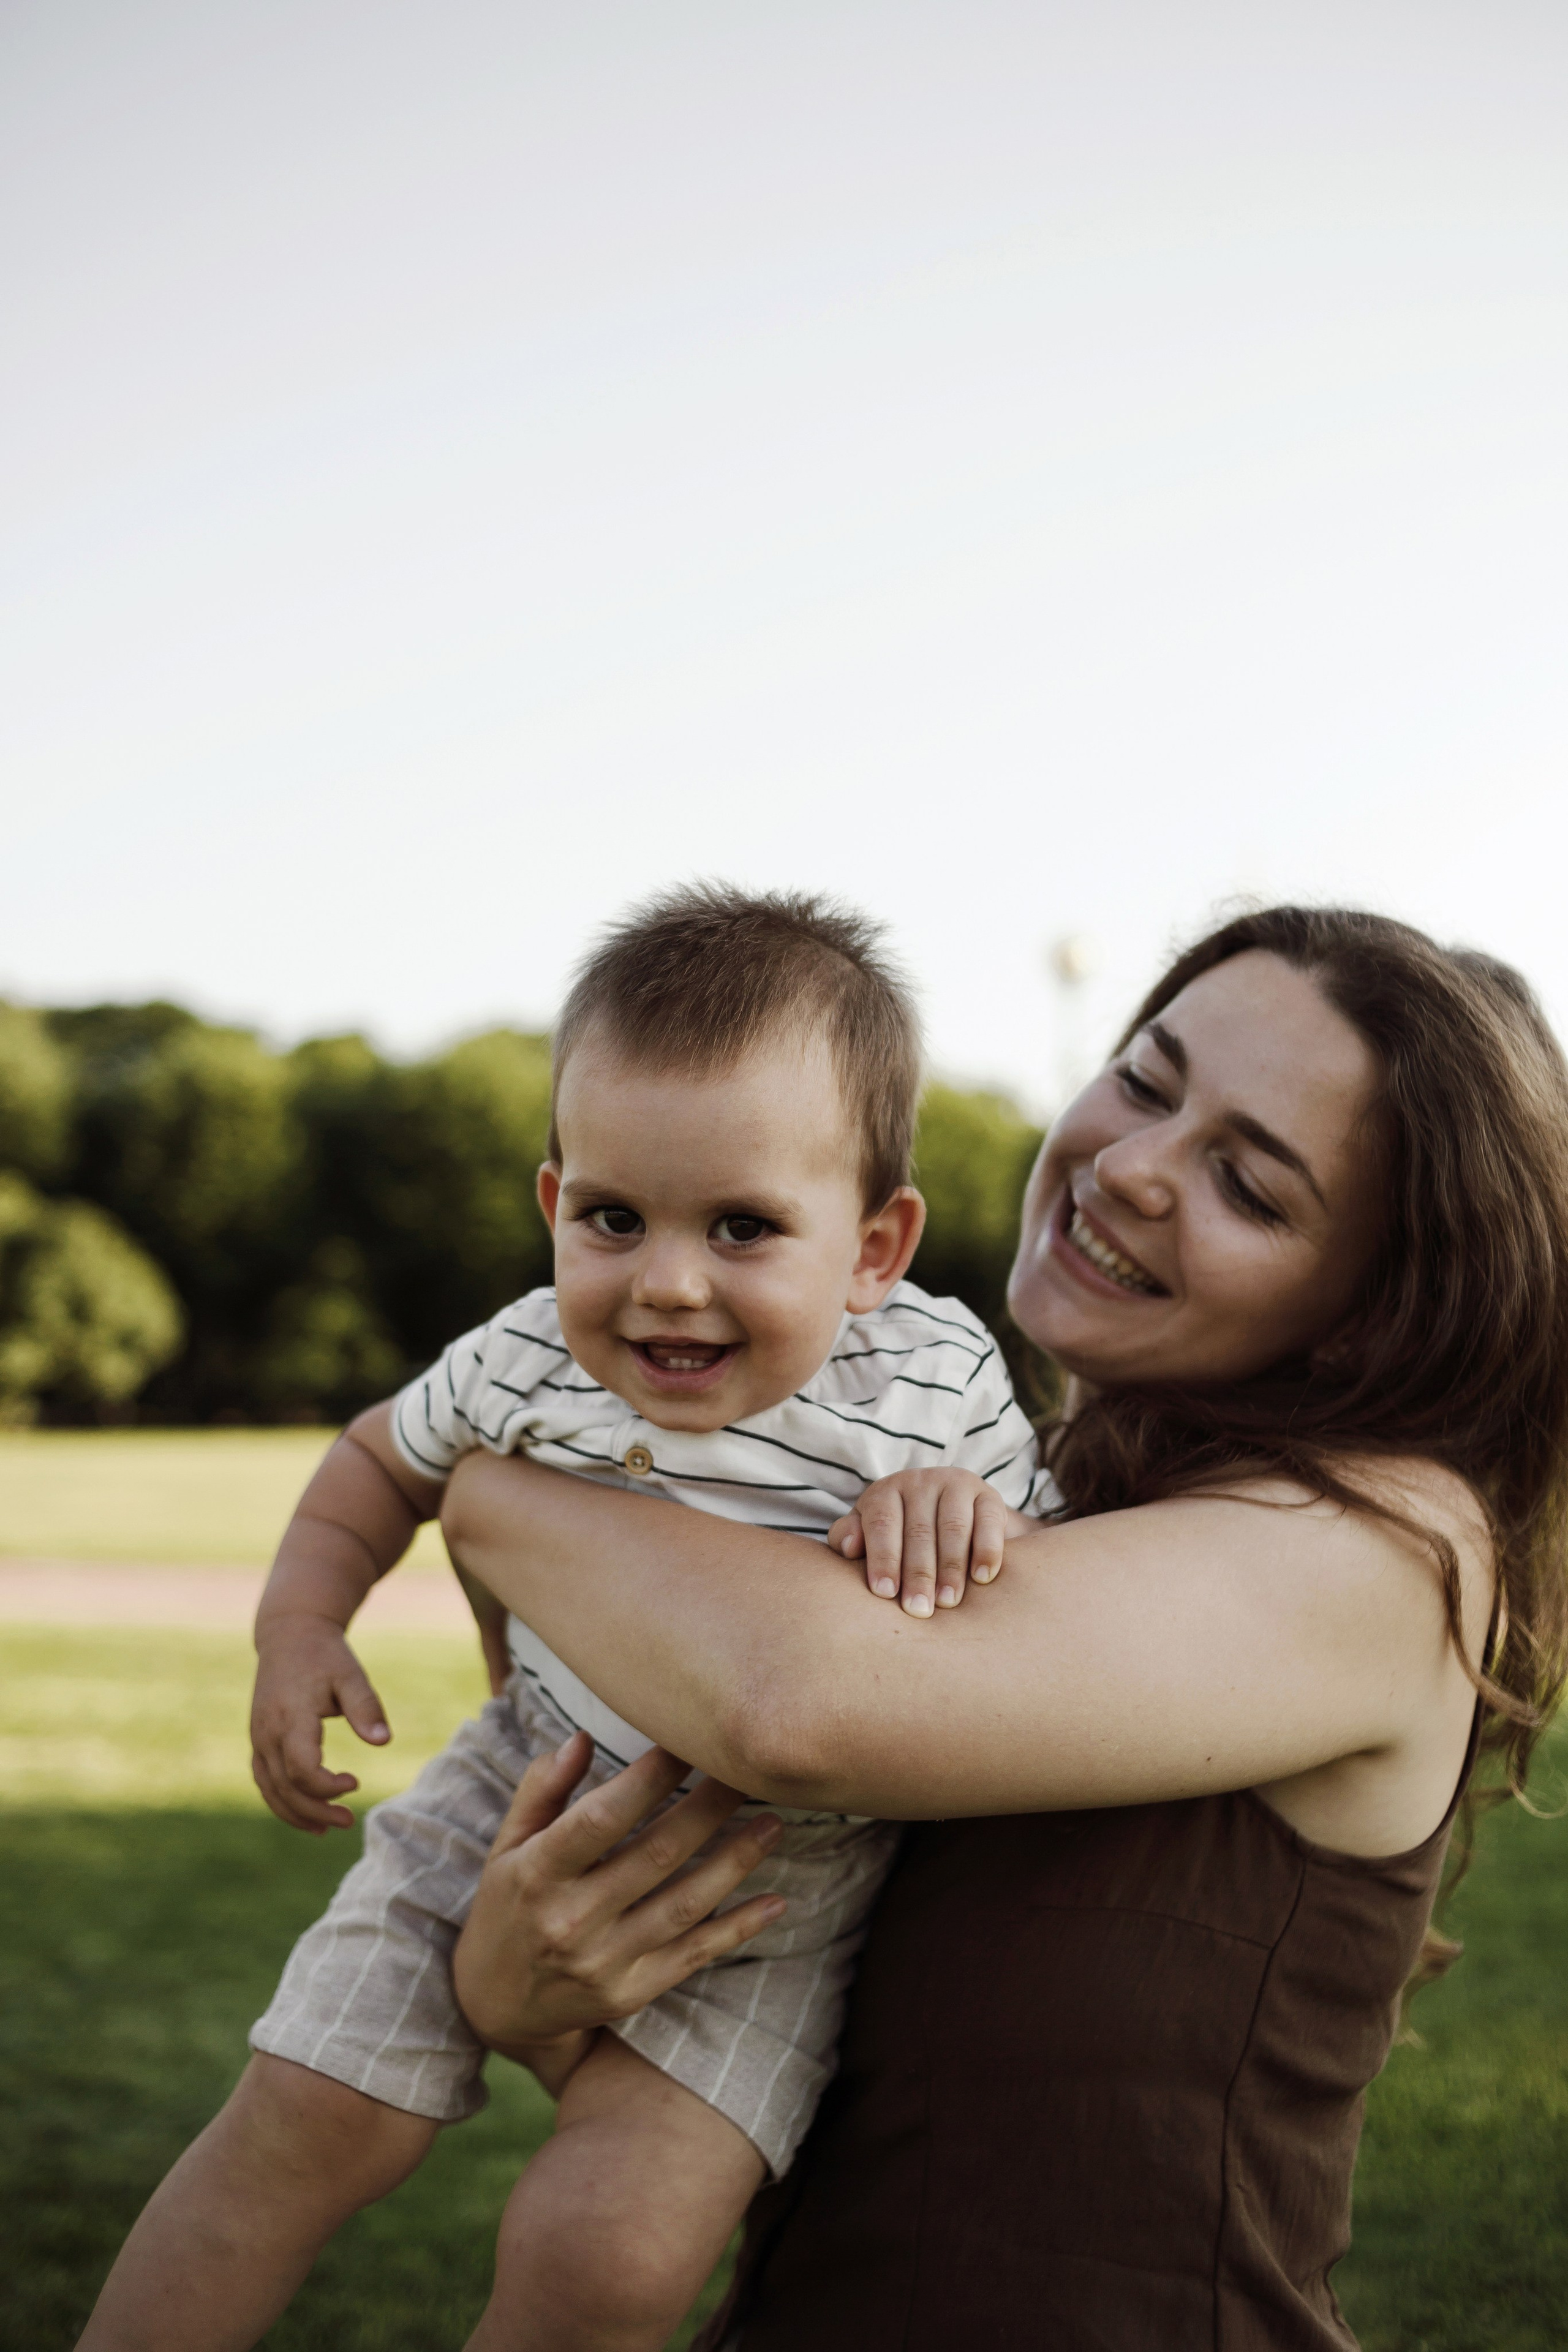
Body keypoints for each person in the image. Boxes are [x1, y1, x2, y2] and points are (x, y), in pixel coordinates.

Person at [438, 907, 1568, 2350]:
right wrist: (514, 1983)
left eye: (1251, 1185)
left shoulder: (1388, 1552)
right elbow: (767, 1993)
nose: (1136, 1167)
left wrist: (481, 1490)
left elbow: (794, 1708)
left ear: (1370, 1309)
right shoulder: (1012, 1504)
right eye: (1147, 1084)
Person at [77, 885, 1052, 2352]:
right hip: (511, 1784)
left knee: (608, 2256)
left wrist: (963, 1512)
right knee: (302, 2118)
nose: (666, 1282)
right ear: (554, 1206)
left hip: (780, 1900)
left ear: (872, 1246)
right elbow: (372, 1464)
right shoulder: (525, 1353)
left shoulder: (926, 1381)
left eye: (741, 1227)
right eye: (612, 1217)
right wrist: (299, 1626)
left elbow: (1027, 1586)